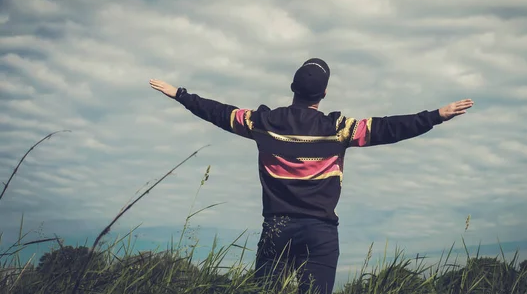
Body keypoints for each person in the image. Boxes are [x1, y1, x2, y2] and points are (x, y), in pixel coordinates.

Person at [149, 58, 474, 294]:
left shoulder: (263, 122)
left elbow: (218, 112)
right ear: (324, 94)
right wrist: (436, 116)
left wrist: (180, 94)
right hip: (320, 233)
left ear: (292, 89)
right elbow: (389, 128)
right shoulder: (339, 129)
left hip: (275, 229)